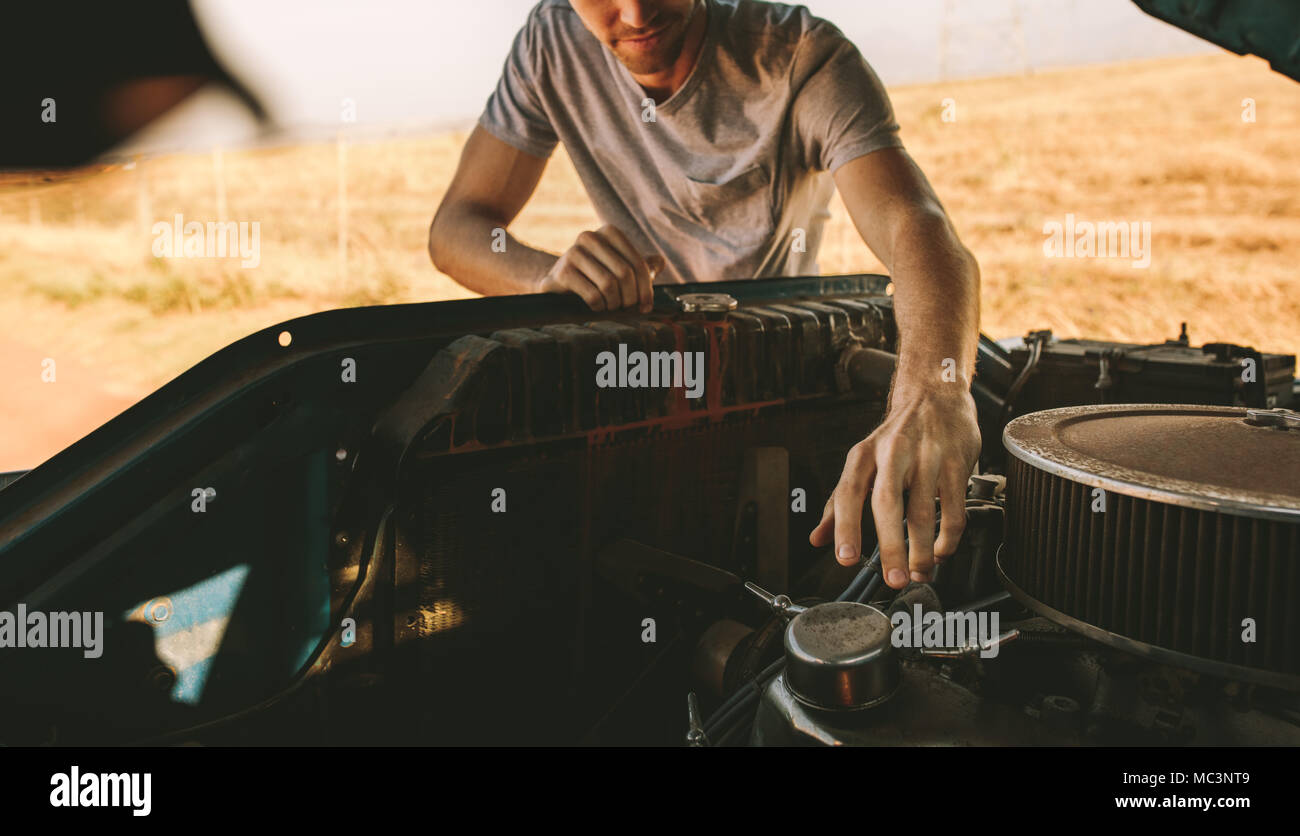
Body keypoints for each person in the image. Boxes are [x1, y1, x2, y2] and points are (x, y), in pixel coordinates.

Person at [428, 0, 982, 590]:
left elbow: (916, 226)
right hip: (641, 382)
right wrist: (544, 277)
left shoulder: (802, 57)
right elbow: (456, 228)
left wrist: (934, 392)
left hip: (781, 385)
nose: (637, 14)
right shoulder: (550, 44)